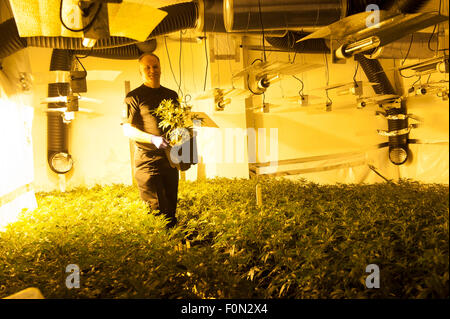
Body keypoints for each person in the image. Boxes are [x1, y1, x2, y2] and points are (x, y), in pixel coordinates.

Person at [122, 52, 179, 229]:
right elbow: (127, 129)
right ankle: (161, 248)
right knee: (156, 211)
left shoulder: (171, 95)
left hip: (169, 160)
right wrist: (152, 139)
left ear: (160, 68)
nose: (152, 70)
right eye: (147, 67)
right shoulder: (134, 97)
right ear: (141, 71)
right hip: (148, 161)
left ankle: (175, 250)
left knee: (170, 209)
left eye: (155, 66)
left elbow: (179, 125)